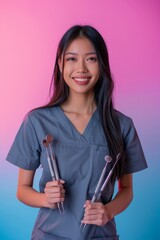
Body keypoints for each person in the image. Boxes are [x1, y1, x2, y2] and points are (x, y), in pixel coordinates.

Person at [6, 25, 147, 240]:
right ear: (60, 65)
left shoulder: (121, 125)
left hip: (100, 236)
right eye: (72, 59)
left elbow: (126, 190)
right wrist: (45, 198)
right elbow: (22, 190)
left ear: (102, 64)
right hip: (49, 235)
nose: (81, 68)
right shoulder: (36, 121)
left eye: (91, 59)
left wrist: (108, 212)